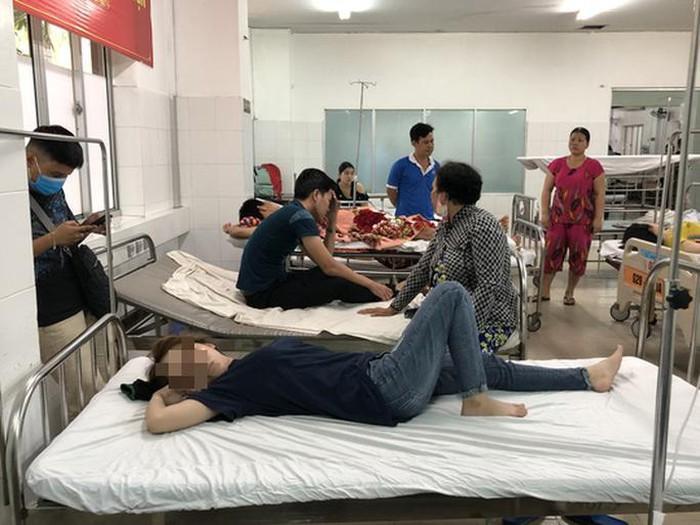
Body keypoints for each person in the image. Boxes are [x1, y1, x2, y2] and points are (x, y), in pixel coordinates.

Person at [143, 281, 624, 434]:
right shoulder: (229, 392)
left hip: (384, 375)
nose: (197, 355)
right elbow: (160, 423)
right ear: (187, 378)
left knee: (481, 362)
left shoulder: (243, 367)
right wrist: (164, 392)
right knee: (450, 293)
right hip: (384, 389)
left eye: (191, 348)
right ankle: (476, 400)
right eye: (183, 365)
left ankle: (587, 377)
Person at [362, 162, 519, 354]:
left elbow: (488, 286)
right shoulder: (447, 225)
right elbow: (423, 268)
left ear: (444, 196)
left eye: (433, 189)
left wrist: (462, 330)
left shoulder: (482, 226)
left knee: (443, 359)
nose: (431, 194)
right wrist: (395, 306)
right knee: (412, 349)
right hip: (450, 313)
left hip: (488, 319)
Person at [28, 125, 108, 418]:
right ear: (30, 160)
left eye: (65, 177)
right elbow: (7, 258)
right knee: (82, 390)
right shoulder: (8, 196)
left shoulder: (52, 191)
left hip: (78, 294)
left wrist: (85, 228)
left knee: (102, 381)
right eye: (56, 174)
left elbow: (62, 232)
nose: (59, 182)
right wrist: (52, 239)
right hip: (49, 309)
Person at [236, 168, 393, 309]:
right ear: (316, 195)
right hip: (262, 295)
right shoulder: (301, 216)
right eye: (329, 200)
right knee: (337, 285)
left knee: (327, 274)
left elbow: (325, 258)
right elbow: (329, 266)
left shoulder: (293, 211)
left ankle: (385, 289)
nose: (329, 206)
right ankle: (390, 293)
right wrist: (371, 284)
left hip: (262, 288)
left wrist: (332, 219)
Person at [540, 127, 606, 305]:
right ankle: (544, 291)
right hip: (557, 219)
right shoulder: (557, 164)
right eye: (572, 139)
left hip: (582, 221)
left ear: (587, 144)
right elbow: (546, 190)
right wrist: (544, 213)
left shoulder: (594, 167)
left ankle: (569, 292)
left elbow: (600, 194)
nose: (575, 143)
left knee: (578, 257)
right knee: (551, 254)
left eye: (580, 140)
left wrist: (598, 218)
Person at [386, 123, 440, 219]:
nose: (430, 145)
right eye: (425, 142)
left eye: (432, 141)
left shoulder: (436, 167)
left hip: (428, 219)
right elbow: (391, 191)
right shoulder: (400, 165)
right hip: (404, 220)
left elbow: (437, 193)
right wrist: (401, 207)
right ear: (414, 143)